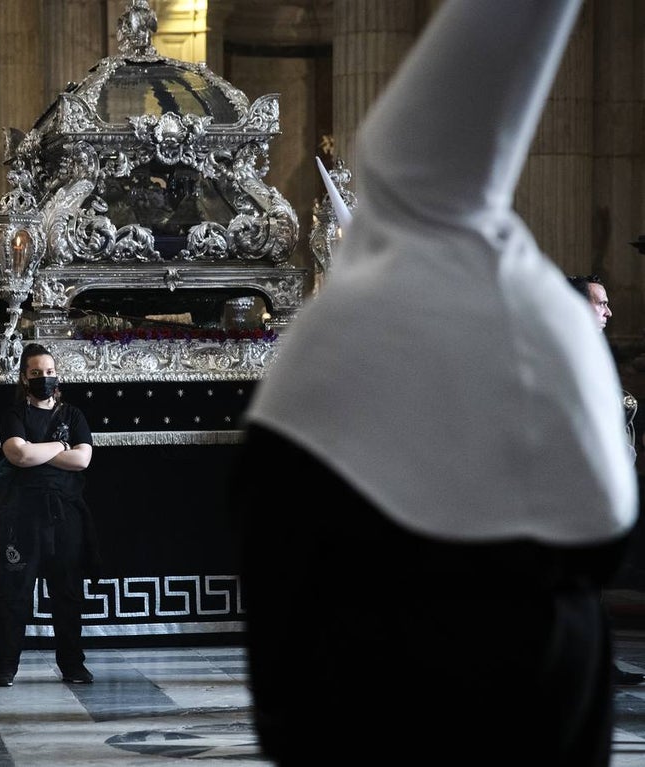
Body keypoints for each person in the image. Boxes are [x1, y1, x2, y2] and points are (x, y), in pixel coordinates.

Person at [231, 1, 637, 765]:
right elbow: (606, 517)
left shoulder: (334, 326)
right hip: (530, 689)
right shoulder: (538, 302)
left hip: (367, 695)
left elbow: (272, 524)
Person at [0, 343, 100, 687]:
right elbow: (17, 455)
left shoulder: (73, 415)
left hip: (65, 514)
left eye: (49, 372)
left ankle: (73, 665)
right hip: (21, 517)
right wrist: (62, 447)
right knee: (14, 592)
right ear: (24, 377)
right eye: (36, 373)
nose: (44, 378)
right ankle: (5, 667)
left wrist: (39, 452)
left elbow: (83, 460)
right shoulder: (13, 415)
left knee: (66, 592)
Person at [567, 273, 645, 686]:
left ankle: (595, 660)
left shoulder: (595, 349)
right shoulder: (564, 352)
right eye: (600, 303)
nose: (610, 311)